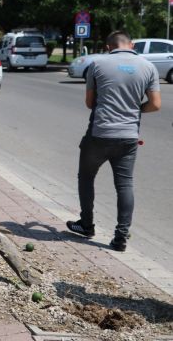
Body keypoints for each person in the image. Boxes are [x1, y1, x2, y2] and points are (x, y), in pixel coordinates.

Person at [66, 31, 161, 251]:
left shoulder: (97, 65)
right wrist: (133, 111)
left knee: (86, 177)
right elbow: (155, 105)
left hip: (99, 134)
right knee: (125, 184)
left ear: (109, 47)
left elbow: (90, 103)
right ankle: (120, 237)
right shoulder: (148, 67)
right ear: (132, 44)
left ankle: (87, 225)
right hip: (128, 137)